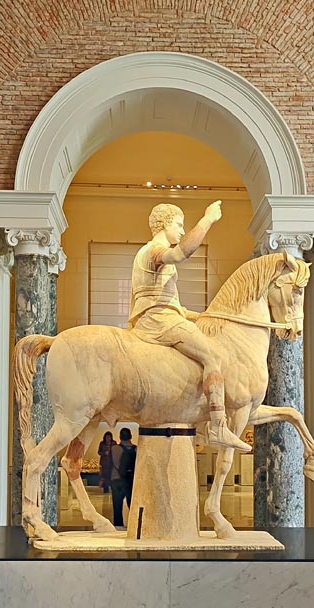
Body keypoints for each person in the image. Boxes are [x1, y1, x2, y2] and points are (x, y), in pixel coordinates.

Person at [128, 201, 251, 453]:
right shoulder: (155, 250)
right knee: (214, 355)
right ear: (163, 224)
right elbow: (180, 254)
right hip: (158, 320)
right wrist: (207, 219)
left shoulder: (149, 255)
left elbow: (169, 302)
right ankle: (218, 425)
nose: (182, 231)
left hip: (165, 314)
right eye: (178, 224)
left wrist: (204, 316)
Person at [109, 427, 137, 527]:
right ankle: (134, 526)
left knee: (117, 507)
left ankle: (118, 527)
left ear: (120, 437)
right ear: (131, 436)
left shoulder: (114, 448)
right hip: (131, 481)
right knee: (133, 506)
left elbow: (109, 465)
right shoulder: (136, 449)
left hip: (116, 479)